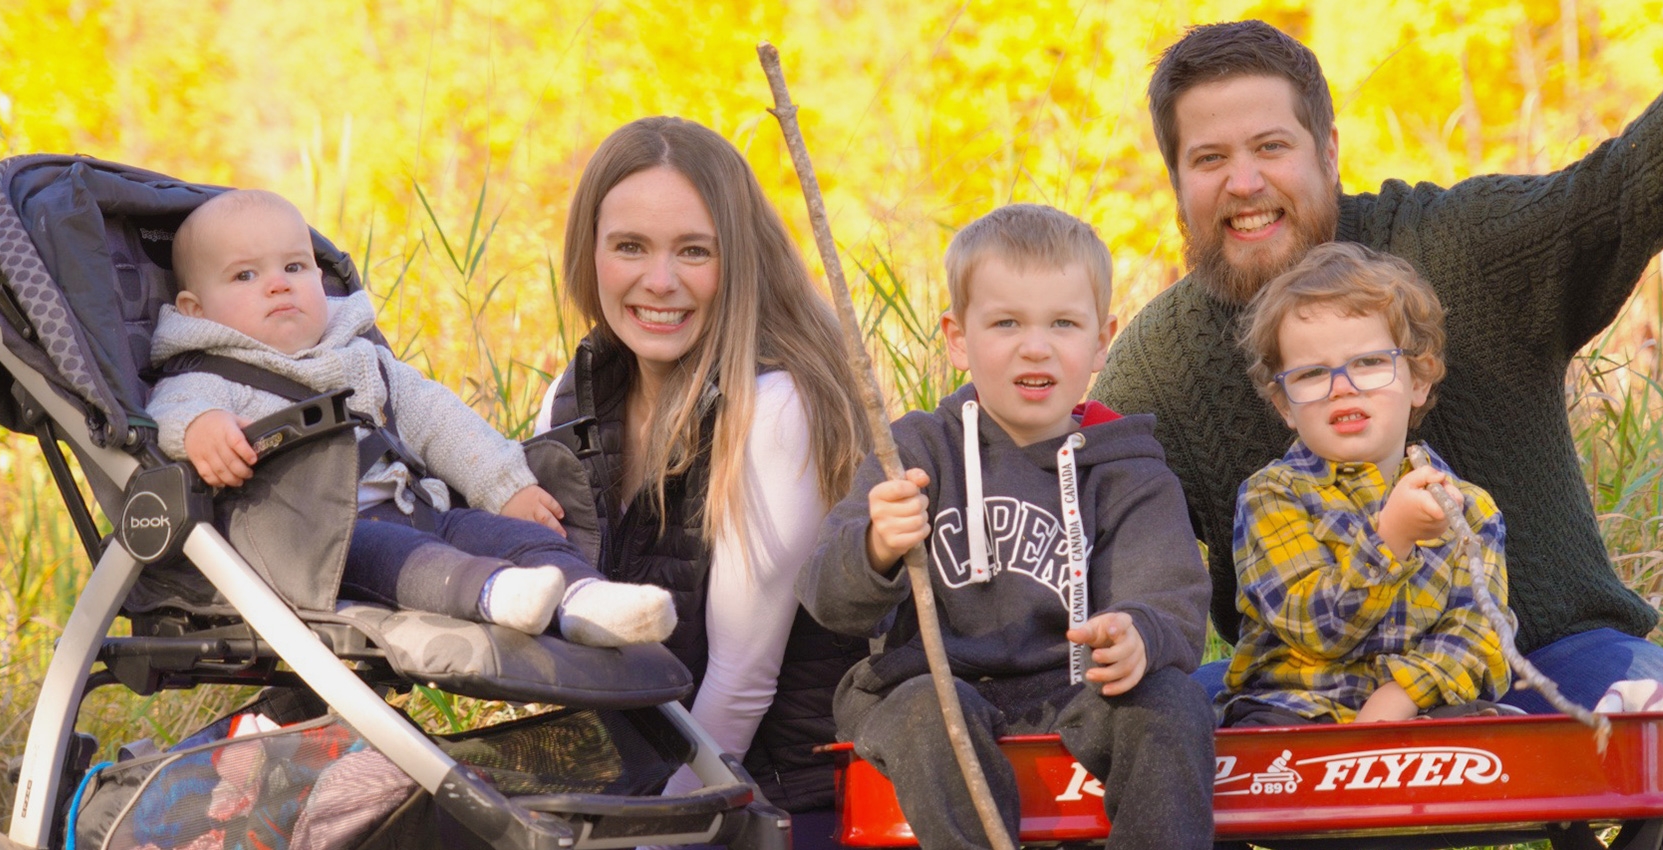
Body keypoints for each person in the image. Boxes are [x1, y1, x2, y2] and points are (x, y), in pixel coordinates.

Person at [1090, 19, 1663, 849]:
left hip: (1535, 662)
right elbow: (1081, 514)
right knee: (1091, 751)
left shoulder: (1457, 248)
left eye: (1271, 146)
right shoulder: (1160, 361)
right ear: (1177, 179)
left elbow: (1616, 195)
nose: (1244, 183)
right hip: (1293, 693)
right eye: (1209, 159)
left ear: (1327, 150)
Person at [801, 204, 1215, 849]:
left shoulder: (1128, 468)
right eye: (1006, 322)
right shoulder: (915, 451)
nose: (1036, 345)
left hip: (1078, 688)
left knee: (1169, 702)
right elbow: (827, 597)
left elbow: (1173, 595)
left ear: (1102, 339)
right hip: (936, 685)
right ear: (958, 338)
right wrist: (877, 545)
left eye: (1063, 323)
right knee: (929, 712)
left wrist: (1137, 633)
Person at [530, 116, 872, 848]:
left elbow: (741, 685)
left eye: (694, 251)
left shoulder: (777, 407)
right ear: (590, 254)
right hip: (632, 780)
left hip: (774, 798)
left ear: (739, 259)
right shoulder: (577, 393)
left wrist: (644, 836)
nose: (661, 281)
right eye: (630, 247)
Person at [148, 189, 674, 646]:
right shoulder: (210, 375)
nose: (278, 284)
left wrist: (505, 487)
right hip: (324, 544)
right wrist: (201, 429)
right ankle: (498, 594)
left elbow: (442, 423)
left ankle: (588, 599)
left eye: (294, 266)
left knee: (504, 533)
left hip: (420, 506)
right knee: (412, 557)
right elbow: (170, 409)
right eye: (245, 275)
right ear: (196, 310)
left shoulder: (365, 361)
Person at [1221, 242, 1510, 728]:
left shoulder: (1468, 508)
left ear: (1418, 380)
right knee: (1257, 738)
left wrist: (1403, 695)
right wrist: (1391, 539)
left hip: (1419, 710)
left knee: (1497, 729)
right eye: (1312, 373)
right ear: (1285, 406)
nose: (1342, 386)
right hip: (1295, 709)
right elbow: (1313, 626)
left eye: (1370, 363)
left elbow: (1480, 633)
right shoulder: (1272, 496)